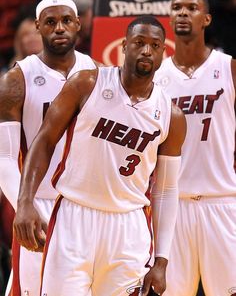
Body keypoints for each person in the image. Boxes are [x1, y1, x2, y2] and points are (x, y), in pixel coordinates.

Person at [13, 15, 186, 296]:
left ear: (163, 52)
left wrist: (162, 260)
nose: (146, 51)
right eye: (139, 43)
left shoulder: (171, 115)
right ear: (124, 45)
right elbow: (44, 141)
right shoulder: (86, 83)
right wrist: (25, 201)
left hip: (128, 227)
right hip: (74, 216)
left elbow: (165, 190)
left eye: (155, 45)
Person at [0, 0, 98, 296]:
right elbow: (4, 156)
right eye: (52, 22)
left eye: (67, 21)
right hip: (39, 202)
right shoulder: (17, 79)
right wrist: (25, 206)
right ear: (39, 26)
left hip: (86, 205)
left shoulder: (98, 73)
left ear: (78, 25)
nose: (60, 28)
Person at [154, 0, 236, 296]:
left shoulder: (229, 67)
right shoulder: (156, 77)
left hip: (223, 201)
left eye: (191, 7)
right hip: (172, 207)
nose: (183, 12)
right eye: (176, 8)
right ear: (170, 17)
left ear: (207, 18)